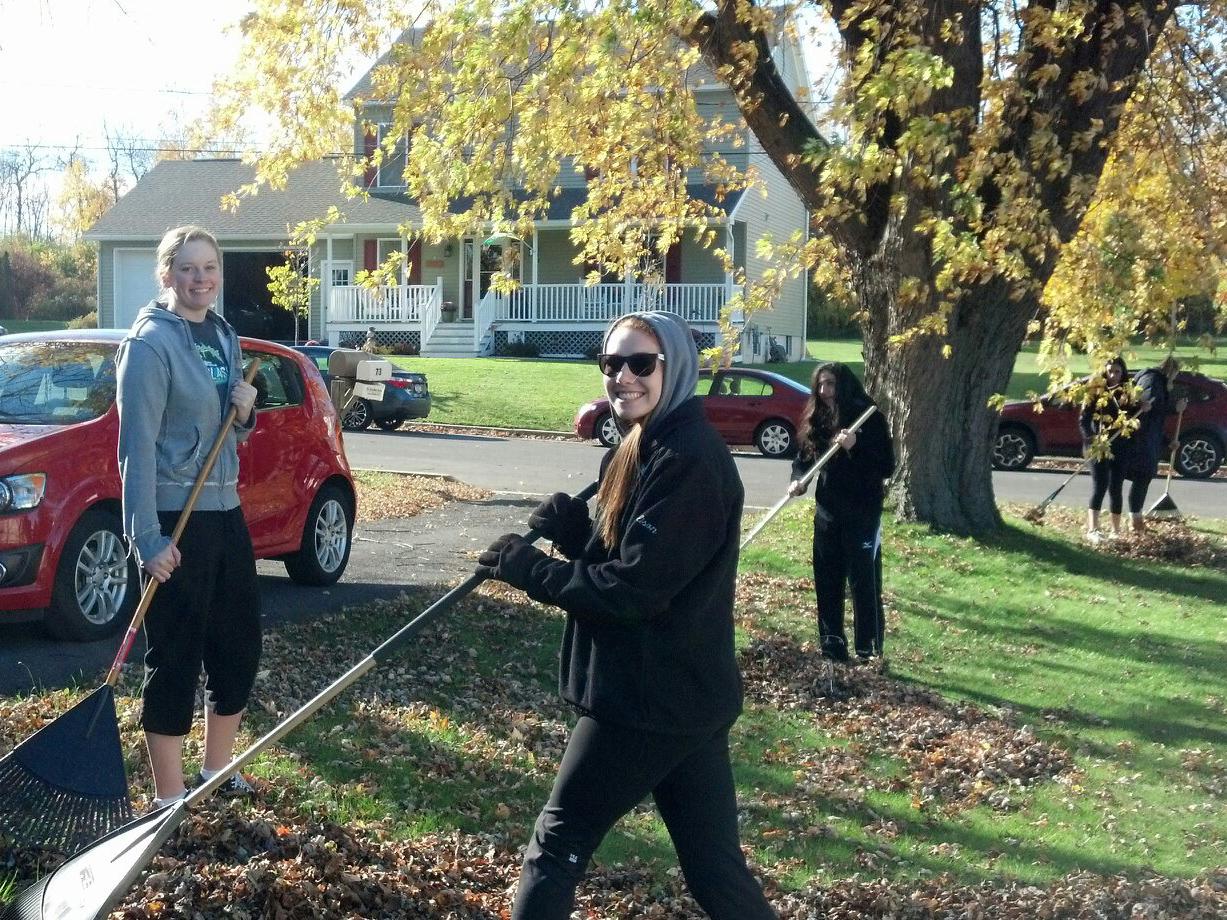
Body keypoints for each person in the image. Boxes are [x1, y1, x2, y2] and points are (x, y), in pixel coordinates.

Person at [475, 311, 776, 920]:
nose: (623, 377)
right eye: (611, 363)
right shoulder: (645, 445)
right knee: (716, 873)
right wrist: (574, 533)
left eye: (641, 363)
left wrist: (529, 570)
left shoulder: (689, 460)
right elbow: (626, 561)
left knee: (553, 849)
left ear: (677, 367)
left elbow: (634, 592)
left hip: (647, 699)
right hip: (681, 695)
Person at [116, 225, 261, 810]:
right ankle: (168, 797)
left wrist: (245, 413)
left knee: (238, 646)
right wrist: (144, 536)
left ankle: (215, 769)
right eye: (188, 269)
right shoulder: (150, 344)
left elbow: (231, 433)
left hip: (226, 509)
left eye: (209, 268)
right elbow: (136, 447)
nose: (200, 279)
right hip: (176, 516)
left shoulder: (225, 337)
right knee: (175, 654)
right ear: (166, 275)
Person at [788, 362, 894, 663]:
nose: (823, 392)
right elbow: (805, 457)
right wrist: (798, 479)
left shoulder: (869, 417)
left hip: (862, 512)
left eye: (830, 384)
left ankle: (868, 649)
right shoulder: (818, 416)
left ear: (843, 385)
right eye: (819, 385)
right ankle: (832, 644)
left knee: (863, 581)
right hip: (828, 513)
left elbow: (886, 465)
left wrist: (855, 446)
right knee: (827, 578)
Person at [1123, 355, 1187, 533]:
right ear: (1171, 370)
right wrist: (1175, 408)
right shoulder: (1153, 380)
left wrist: (1167, 441)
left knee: (1143, 478)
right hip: (1138, 440)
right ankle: (1134, 521)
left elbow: (1156, 419)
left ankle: (1135, 519)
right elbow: (1149, 406)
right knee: (1141, 476)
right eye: (1176, 373)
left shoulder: (1157, 381)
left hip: (1148, 439)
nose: (1175, 378)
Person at [1079, 356, 1133, 542]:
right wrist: (1092, 439)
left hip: (1120, 446)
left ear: (1123, 373)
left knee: (1116, 487)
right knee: (1100, 485)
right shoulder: (1095, 391)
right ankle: (1093, 528)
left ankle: (1115, 530)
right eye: (1110, 371)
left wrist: (1144, 407)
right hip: (1098, 446)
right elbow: (1084, 420)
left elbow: (1133, 417)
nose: (1113, 375)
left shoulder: (1127, 392)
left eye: (1117, 371)